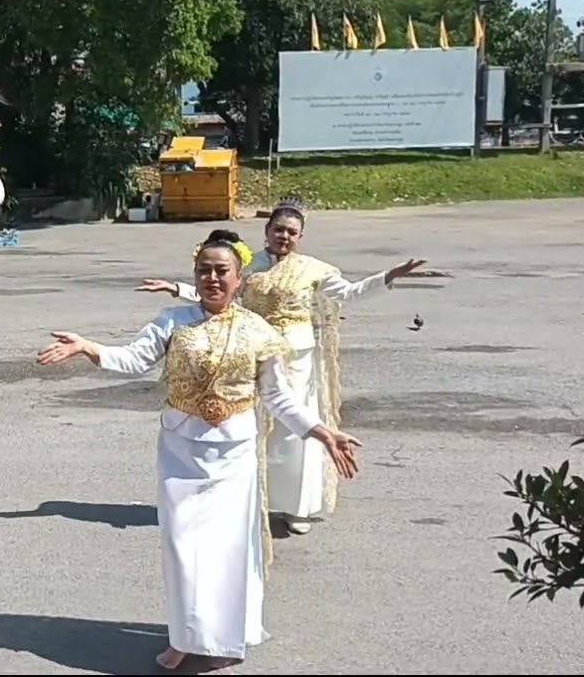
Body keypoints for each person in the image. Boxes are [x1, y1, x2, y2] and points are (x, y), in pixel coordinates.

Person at [38, 229, 362, 672]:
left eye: (221, 271)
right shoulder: (173, 321)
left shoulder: (258, 331)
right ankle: (186, 637)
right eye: (204, 270)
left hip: (234, 456)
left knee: (226, 551)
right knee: (182, 547)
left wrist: (320, 431)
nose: (212, 278)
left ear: (239, 278)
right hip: (180, 451)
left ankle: (222, 635)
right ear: (195, 275)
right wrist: (90, 348)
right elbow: (133, 360)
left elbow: (279, 397)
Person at [137, 199, 422, 538]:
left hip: (296, 358)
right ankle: (248, 503)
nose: (284, 236)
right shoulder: (248, 265)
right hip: (250, 351)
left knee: (294, 432)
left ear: (300, 237)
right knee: (253, 430)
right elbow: (218, 292)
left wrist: (387, 276)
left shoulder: (313, 269)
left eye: (292, 232)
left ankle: (297, 508)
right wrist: (176, 288)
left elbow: (349, 293)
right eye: (278, 229)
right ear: (266, 230)